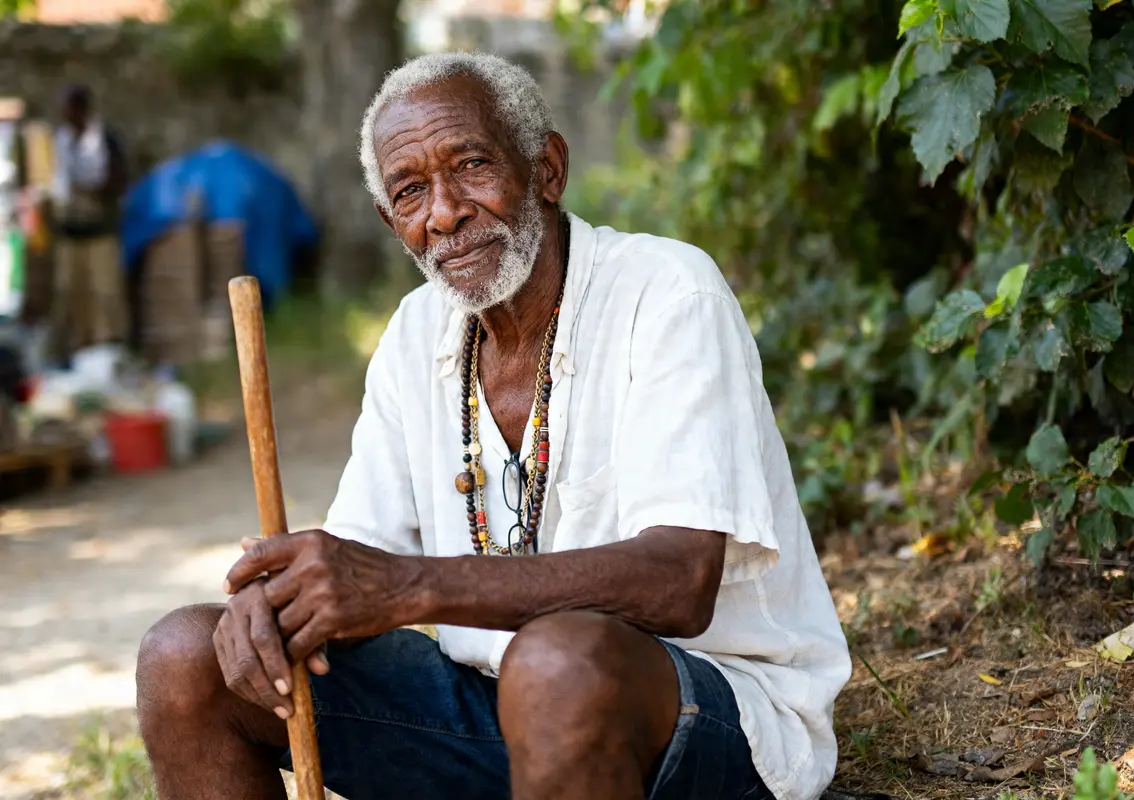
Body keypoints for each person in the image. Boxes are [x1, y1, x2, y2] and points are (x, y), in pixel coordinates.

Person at [135, 53, 851, 800]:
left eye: (471, 165)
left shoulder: (668, 294)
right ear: (392, 223)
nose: (443, 212)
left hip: (709, 717)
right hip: (499, 716)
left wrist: (410, 587)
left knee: (556, 663)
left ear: (546, 168)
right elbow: (359, 566)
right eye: (411, 192)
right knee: (186, 656)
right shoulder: (417, 335)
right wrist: (282, 605)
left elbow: (679, 583)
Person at [49, 84, 128, 357]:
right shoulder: (61, 141)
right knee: (70, 294)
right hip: (70, 234)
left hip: (99, 233)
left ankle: (109, 350)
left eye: (69, 108)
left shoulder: (104, 140)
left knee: (104, 295)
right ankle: (77, 351)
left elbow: (118, 181)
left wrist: (89, 187)